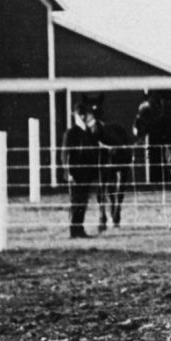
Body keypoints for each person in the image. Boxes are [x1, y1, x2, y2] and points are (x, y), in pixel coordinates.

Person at [65, 100, 104, 239]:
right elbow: (66, 154)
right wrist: (69, 172)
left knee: (83, 202)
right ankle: (73, 230)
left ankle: (79, 229)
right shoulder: (72, 133)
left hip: (86, 173)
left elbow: (95, 147)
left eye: (83, 114)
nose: (82, 117)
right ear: (75, 116)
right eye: (79, 114)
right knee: (76, 202)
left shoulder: (88, 132)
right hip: (76, 173)